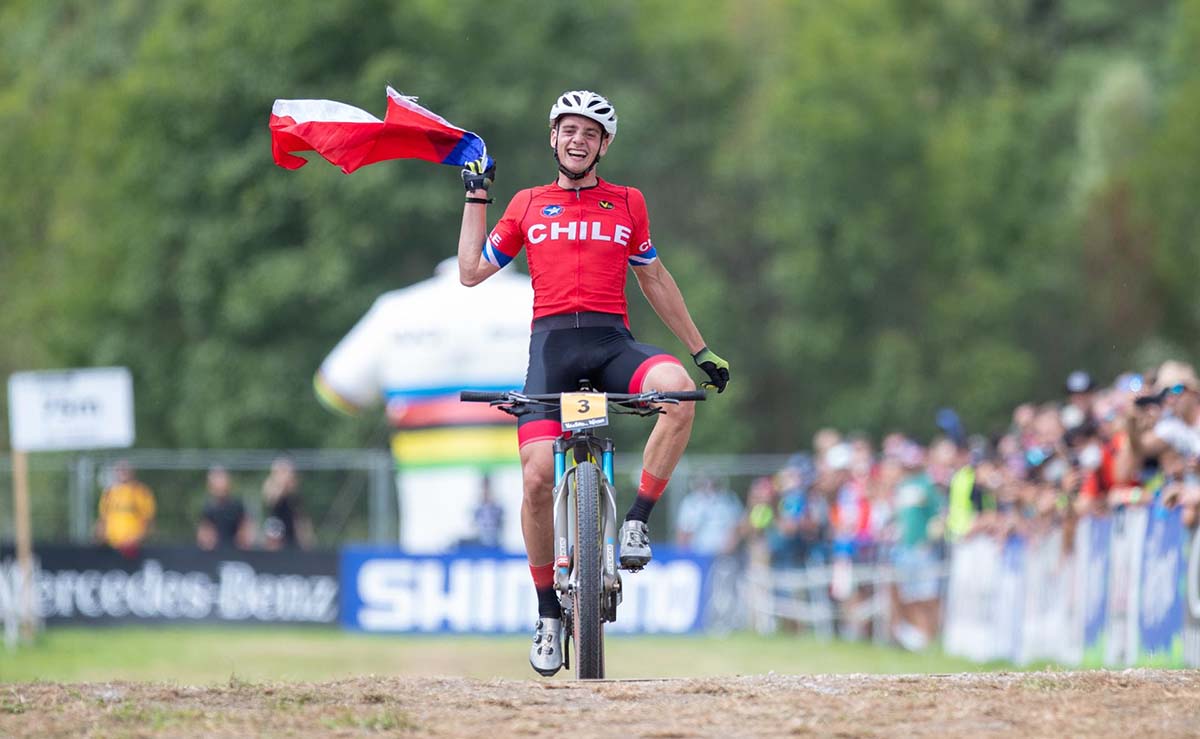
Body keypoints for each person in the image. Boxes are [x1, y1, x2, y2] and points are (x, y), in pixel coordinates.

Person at [456, 90, 730, 675]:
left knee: (678, 394)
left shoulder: (628, 203)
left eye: (590, 132)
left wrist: (700, 350)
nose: (577, 140)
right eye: (568, 130)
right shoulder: (529, 204)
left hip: (612, 343)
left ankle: (634, 522)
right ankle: (548, 611)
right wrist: (477, 196)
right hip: (550, 350)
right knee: (533, 479)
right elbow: (472, 271)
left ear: (604, 145)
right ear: (553, 138)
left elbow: (654, 278)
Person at [95, 460, 156, 558]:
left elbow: (148, 521)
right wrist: (100, 537)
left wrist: (136, 539)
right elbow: (102, 520)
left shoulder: (140, 492)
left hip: (134, 550)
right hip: (110, 548)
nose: (122, 473)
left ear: (132, 472)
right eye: (119, 470)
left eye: (125, 470)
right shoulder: (109, 493)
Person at [675, 477, 742, 556]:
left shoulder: (729, 500)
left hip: (723, 555)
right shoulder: (690, 502)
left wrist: (728, 550)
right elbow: (683, 531)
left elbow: (737, 527)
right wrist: (685, 555)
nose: (708, 485)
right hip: (697, 554)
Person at [261, 456, 315, 551]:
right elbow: (272, 500)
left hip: (292, 536)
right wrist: (282, 483)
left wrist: (307, 539)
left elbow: (301, 516)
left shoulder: (295, 493)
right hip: (275, 534)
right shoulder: (270, 485)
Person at [197, 466, 251, 550]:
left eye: (221, 480)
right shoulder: (208, 509)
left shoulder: (237, 506)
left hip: (236, 552)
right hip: (215, 553)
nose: (219, 485)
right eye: (216, 481)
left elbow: (245, 532)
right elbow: (204, 536)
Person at [471, 475, 505, 549]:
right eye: (483, 488)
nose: (485, 491)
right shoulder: (478, 508)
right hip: (481, 541)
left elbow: (501, 523)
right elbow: (474, 524)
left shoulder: (497, 507)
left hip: (495, 541)